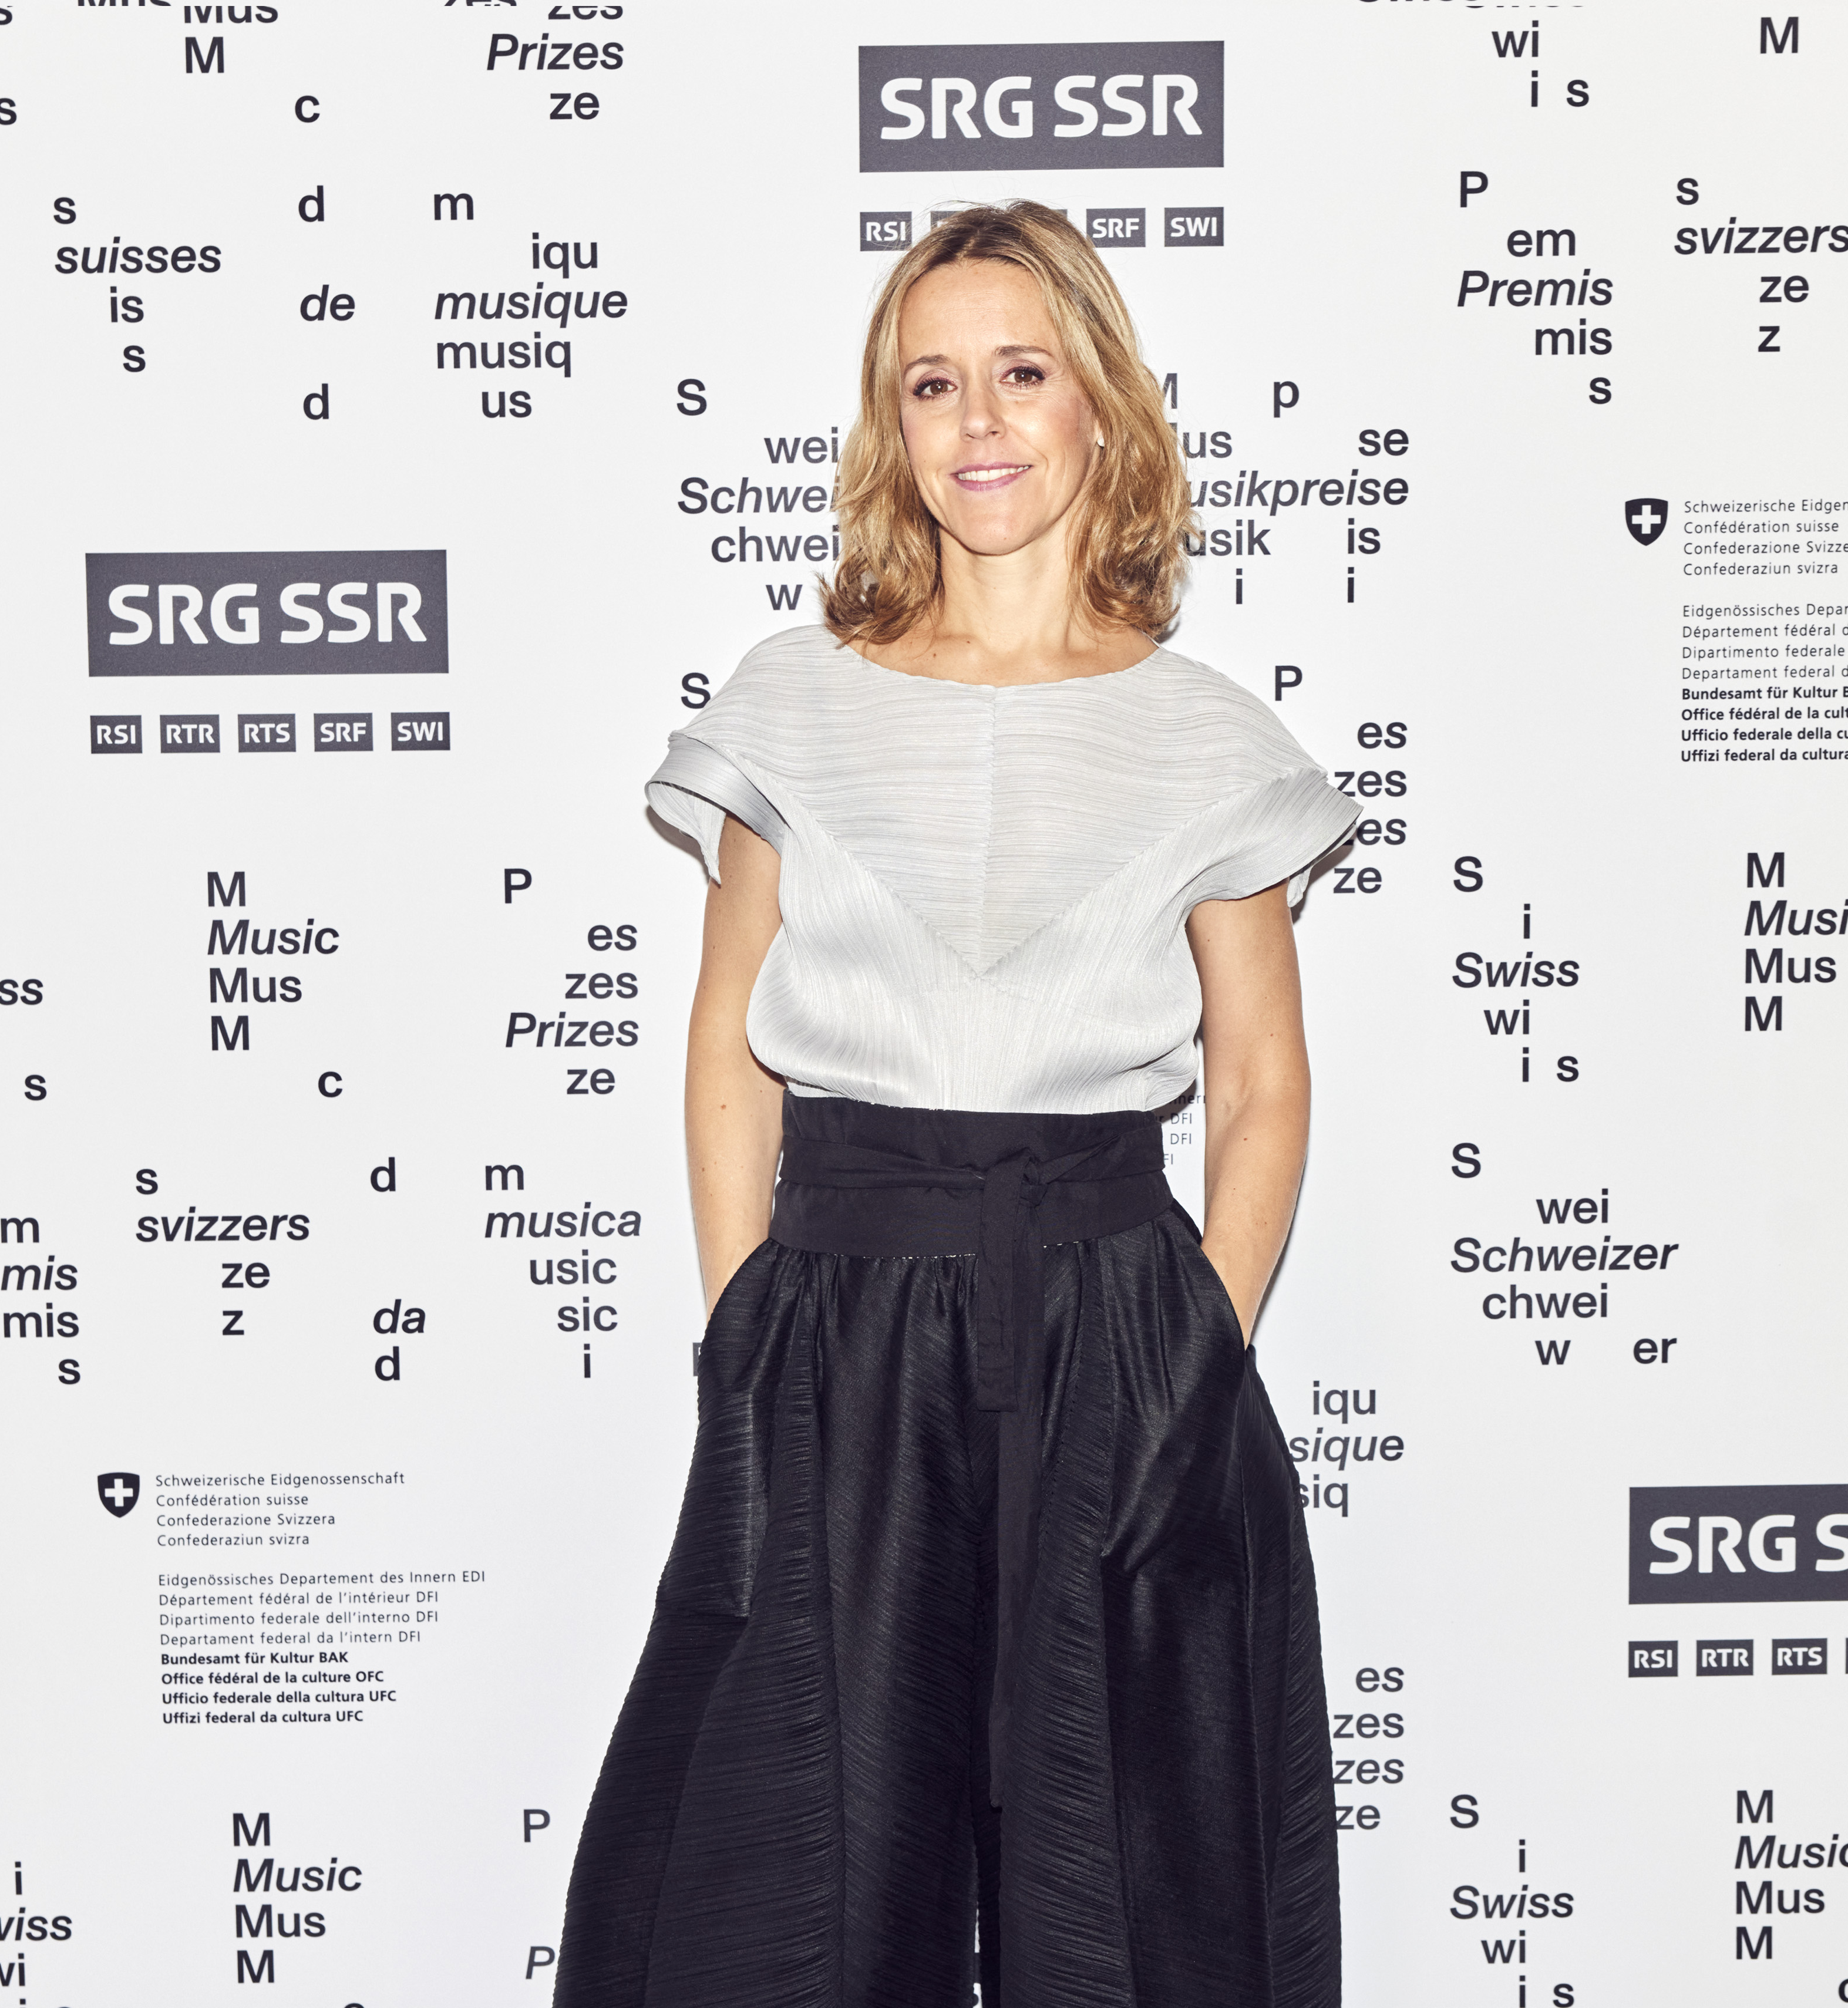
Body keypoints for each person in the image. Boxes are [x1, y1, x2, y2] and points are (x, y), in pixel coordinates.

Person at [557, 200, 1352, 2007]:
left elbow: (1263, 1079)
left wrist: (1196, 1350)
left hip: (1115, 1326)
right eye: (933, 384)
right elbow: (727, 1043)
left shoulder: (1210, 735)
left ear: (1101, 407)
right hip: (841, 1323)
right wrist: (749, 1327)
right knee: (788, 1882)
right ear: (891, 425)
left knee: (1138, 1894)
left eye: (1021, 373)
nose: (979, 423)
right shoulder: (792, 702)